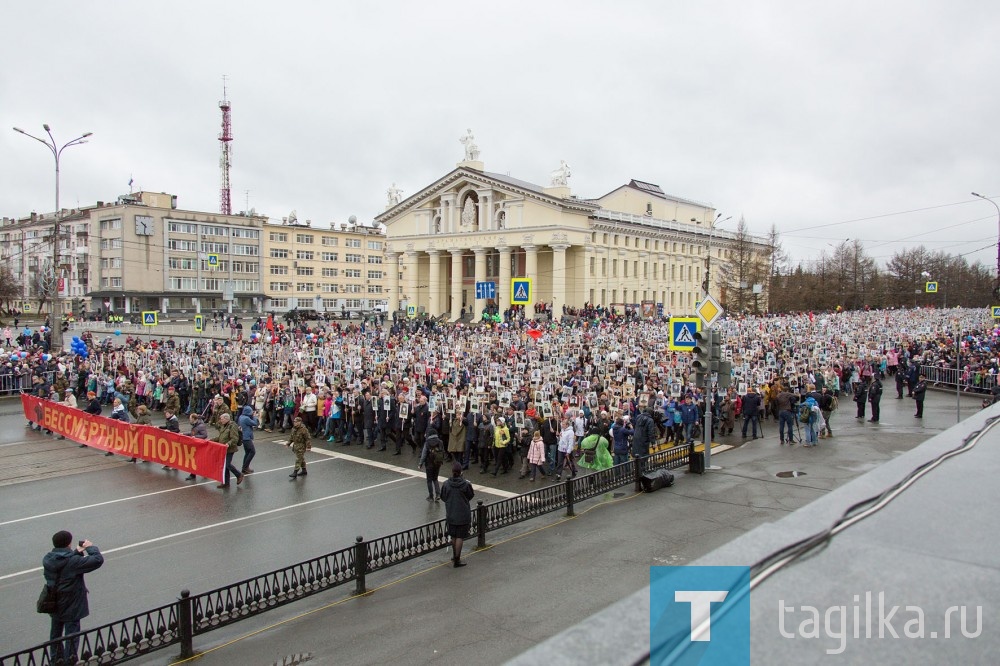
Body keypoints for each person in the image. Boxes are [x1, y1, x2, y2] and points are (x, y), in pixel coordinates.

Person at [43, 530, 104, 664]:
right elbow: (98, 560)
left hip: (53, 603)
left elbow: (63, 565)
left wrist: (75, 552)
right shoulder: (73, 562)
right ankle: (69, 662)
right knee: (71, 636)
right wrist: (89, 547)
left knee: (55, 635)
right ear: (68, 543)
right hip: (71, 604)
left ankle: (55, 661)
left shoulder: (48, 559)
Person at [440, 461, 474, 568]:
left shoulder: (446, 484)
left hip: (451, 513)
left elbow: (443, 497)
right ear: (461, 472)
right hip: (463, 513)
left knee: (453, 535)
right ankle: (457, 559)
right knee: (460, 536)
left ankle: (454, 556)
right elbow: (470, 495)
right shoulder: (465, 484)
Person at [213, 412, 244, 488]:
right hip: (223, 449)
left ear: (226, 419)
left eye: (221, 419)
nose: (220, 420)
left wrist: (228, 443)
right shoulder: (223, 426)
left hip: (230, 449)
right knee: (224, 466)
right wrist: (210, 440)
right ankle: (226, 483)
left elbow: (235, 438)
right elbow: (220, 437)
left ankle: (239, 474)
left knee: (227, 464)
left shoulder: (232, 426)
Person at [237, 405, 259, 474]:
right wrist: (255, 417)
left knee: (247, 452)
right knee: (252, 452)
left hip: (243, 437)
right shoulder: (246, 418)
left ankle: (245, 467)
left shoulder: (241, 417)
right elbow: (255, 423)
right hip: (247, 437)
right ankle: (245, 467)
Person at [425, 435, 444, 501]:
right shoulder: (440, 442)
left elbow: (424, 453)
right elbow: (442, 452)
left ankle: (431, 496)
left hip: (429, 464)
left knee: (429, 480)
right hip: (437, 463)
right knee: (435, 479)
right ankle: (438, 494)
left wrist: (420, 463)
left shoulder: (427, 442)